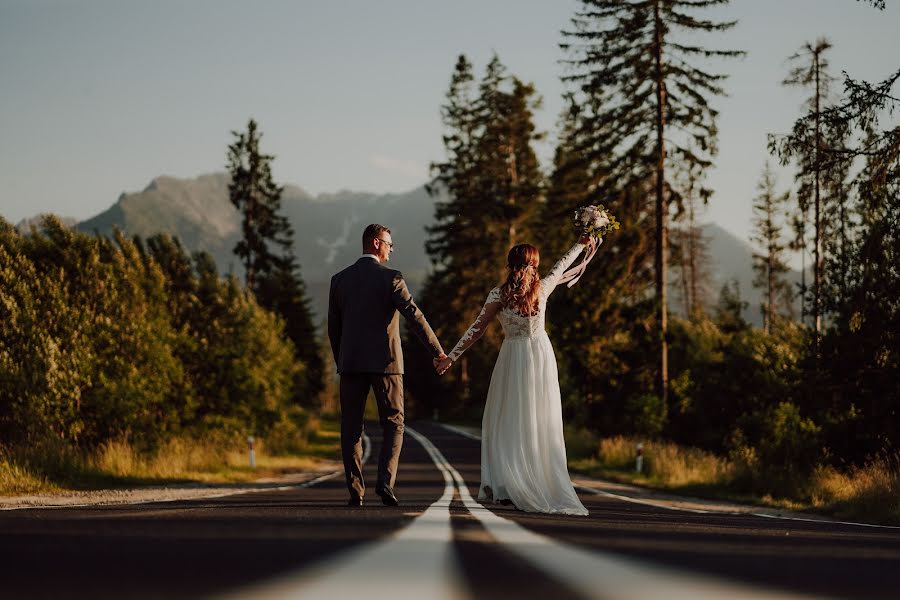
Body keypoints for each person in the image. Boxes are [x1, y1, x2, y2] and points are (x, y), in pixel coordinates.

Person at [434, 236, 596, 515]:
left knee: (507, 420)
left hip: (511, 358)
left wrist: (451, 356)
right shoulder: (542, 288)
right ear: (533, 265)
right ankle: (534, 479)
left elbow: (477, 328)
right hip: (539, 357)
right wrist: (582, 243)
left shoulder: (498, 295)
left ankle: (507, 485)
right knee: (538, 419)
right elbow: (563, 263)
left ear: (510, 265)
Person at [328, 224, 446, 507]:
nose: (392, 249)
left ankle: (356, 491)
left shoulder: (340, 280)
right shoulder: (391, 278)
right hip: (388, 365)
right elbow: (414, 317)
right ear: (376, 243)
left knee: (351, 428)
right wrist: (438, 351)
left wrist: (342, 360)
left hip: (351, 364)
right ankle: (385, 484)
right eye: (389, 244)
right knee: (394, 423)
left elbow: (334, 329)